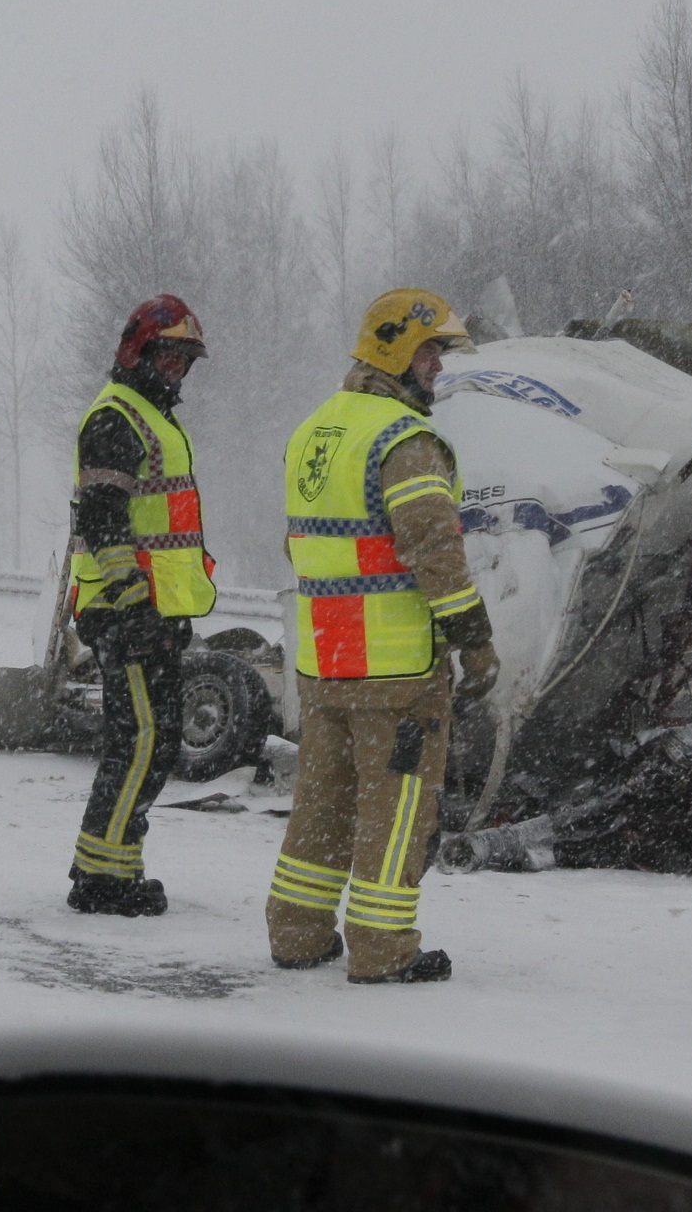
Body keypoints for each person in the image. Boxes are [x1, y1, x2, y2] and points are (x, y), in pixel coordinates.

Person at [266, 289, 498, 983]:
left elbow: (300, 546)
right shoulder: (404, 439)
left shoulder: (315, 431)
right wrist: (474, 639)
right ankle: (382, 946)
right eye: (430, 352)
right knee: (395, 811)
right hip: (396, 667)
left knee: (322, 805)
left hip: (325, 659)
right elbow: (433, 548)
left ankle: (297, 932)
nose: (437, 368)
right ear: (395, 349)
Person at [63, 295, 217, 916]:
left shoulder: (147, 415)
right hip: (126, 610)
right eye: (171, 357)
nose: (178, 371)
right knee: (143, 739)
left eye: (186, 361)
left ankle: (114, 865)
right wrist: (135, 608)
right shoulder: (117, 418)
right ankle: (101, 879)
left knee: (149, 739)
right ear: (141, 352)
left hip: (150, 610)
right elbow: (105, 523)